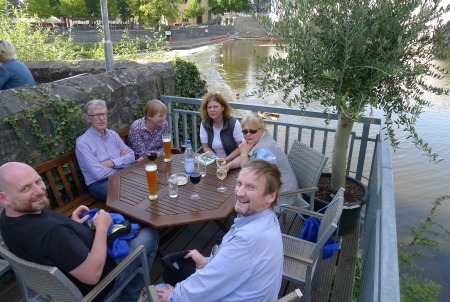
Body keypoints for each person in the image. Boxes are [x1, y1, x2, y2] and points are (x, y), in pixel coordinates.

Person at [0, 162, 160, 302]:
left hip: (60, 284)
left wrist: (72, 224)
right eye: (25, 188)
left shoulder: (8, 219)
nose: (39, 190)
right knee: (150, 235)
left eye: (38, 181)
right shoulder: (53, 233)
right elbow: (93, 276)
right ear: (4, 198)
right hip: (99, 286)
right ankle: (131, 297)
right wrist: (102, 228)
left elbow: (52, 242)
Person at [156, 159, 284, 302]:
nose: (239, 192)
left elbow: (205, 286)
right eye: (239, 183)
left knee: (157, 290)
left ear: (270, 196)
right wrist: (207, 262)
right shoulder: (268, 218)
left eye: (251, 187)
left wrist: (174, 297)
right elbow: (233, 267)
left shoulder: (246, 240)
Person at [225, 114, 298, 204]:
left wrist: (243, 153)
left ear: (262, 129)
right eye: (244, 131)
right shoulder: (259, 138)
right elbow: (248, 156)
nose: (248, 134)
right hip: (271, 187)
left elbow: (248, 177)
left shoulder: (264, 151)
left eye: (252, 131)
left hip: (281, 197)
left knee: (237, 199)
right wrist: (229, 165)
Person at [76, 99, 135, 201]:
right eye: (97, 115)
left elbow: (131, 156)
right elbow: (98, 174)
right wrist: (121, 163)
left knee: (143, 181)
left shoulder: (112, 134)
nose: (102, 118)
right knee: (127, 193)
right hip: (100, 183)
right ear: (88, 118)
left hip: (121, 174)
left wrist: (112, 163)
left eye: (103, 114)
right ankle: (133, 217)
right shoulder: (83, 143)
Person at [199, 92, 243, 162]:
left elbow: (240, 147)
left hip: (232, 161)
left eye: (215, 107)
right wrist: (216, 160)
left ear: (223, 108)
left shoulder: (234, 123)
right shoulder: (204, 124)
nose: (212, 110)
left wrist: (225, 160)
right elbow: (205, 147)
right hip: (212, 160)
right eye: (209, 107)